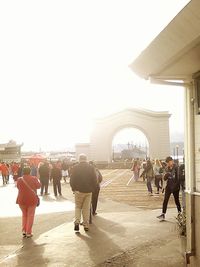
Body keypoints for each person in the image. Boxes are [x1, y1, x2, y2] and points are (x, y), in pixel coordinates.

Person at [70, 154, 97, 232]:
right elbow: (95, 180)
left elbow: (72, 179)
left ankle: (77, 222)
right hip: (88, 191)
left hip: (78, 191)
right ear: (86, 159)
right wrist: (92, 188)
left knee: (78, 207)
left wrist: (73, 189)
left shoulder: (75, 167)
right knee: (86, 209)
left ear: (79, 159)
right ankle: (86, 225)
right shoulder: (91, 167)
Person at [16, 166, 41, 238]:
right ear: (30, 171)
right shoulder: (34, 178)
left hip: (21, 200)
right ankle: (28, 232)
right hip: (32, 200)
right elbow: (39, 186)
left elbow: (18, 187)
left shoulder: (19, 179)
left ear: (23, 172)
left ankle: (24, 231)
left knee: (24, 215)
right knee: (30, 216)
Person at [157, 156, 181, 221]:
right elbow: (164, 178)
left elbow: (178, 178)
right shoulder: (167, 168)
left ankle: (180, 213)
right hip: (169, 186)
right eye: (167, 163)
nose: (168, 164)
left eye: (168, 162)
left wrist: (177, 186)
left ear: (172, 161)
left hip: (175, 187)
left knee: (177, 200)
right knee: (165, 200)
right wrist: (166, 176)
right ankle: (163, 214)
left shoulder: (176, 167)